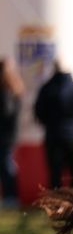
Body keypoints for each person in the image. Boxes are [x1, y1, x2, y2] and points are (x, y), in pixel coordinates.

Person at [33, 60, 73, 189]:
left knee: (56, 175)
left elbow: (38, 112)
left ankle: (56, 200)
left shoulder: (47, 88)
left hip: (54, 137)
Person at [0, 57, 23, 208]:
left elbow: (6, 112)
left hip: (5, 136)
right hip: (9, 135)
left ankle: (11, 197)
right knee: (7, 165)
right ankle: (10, 196)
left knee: (6, 166)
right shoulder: (15, 88)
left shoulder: (6, 92)